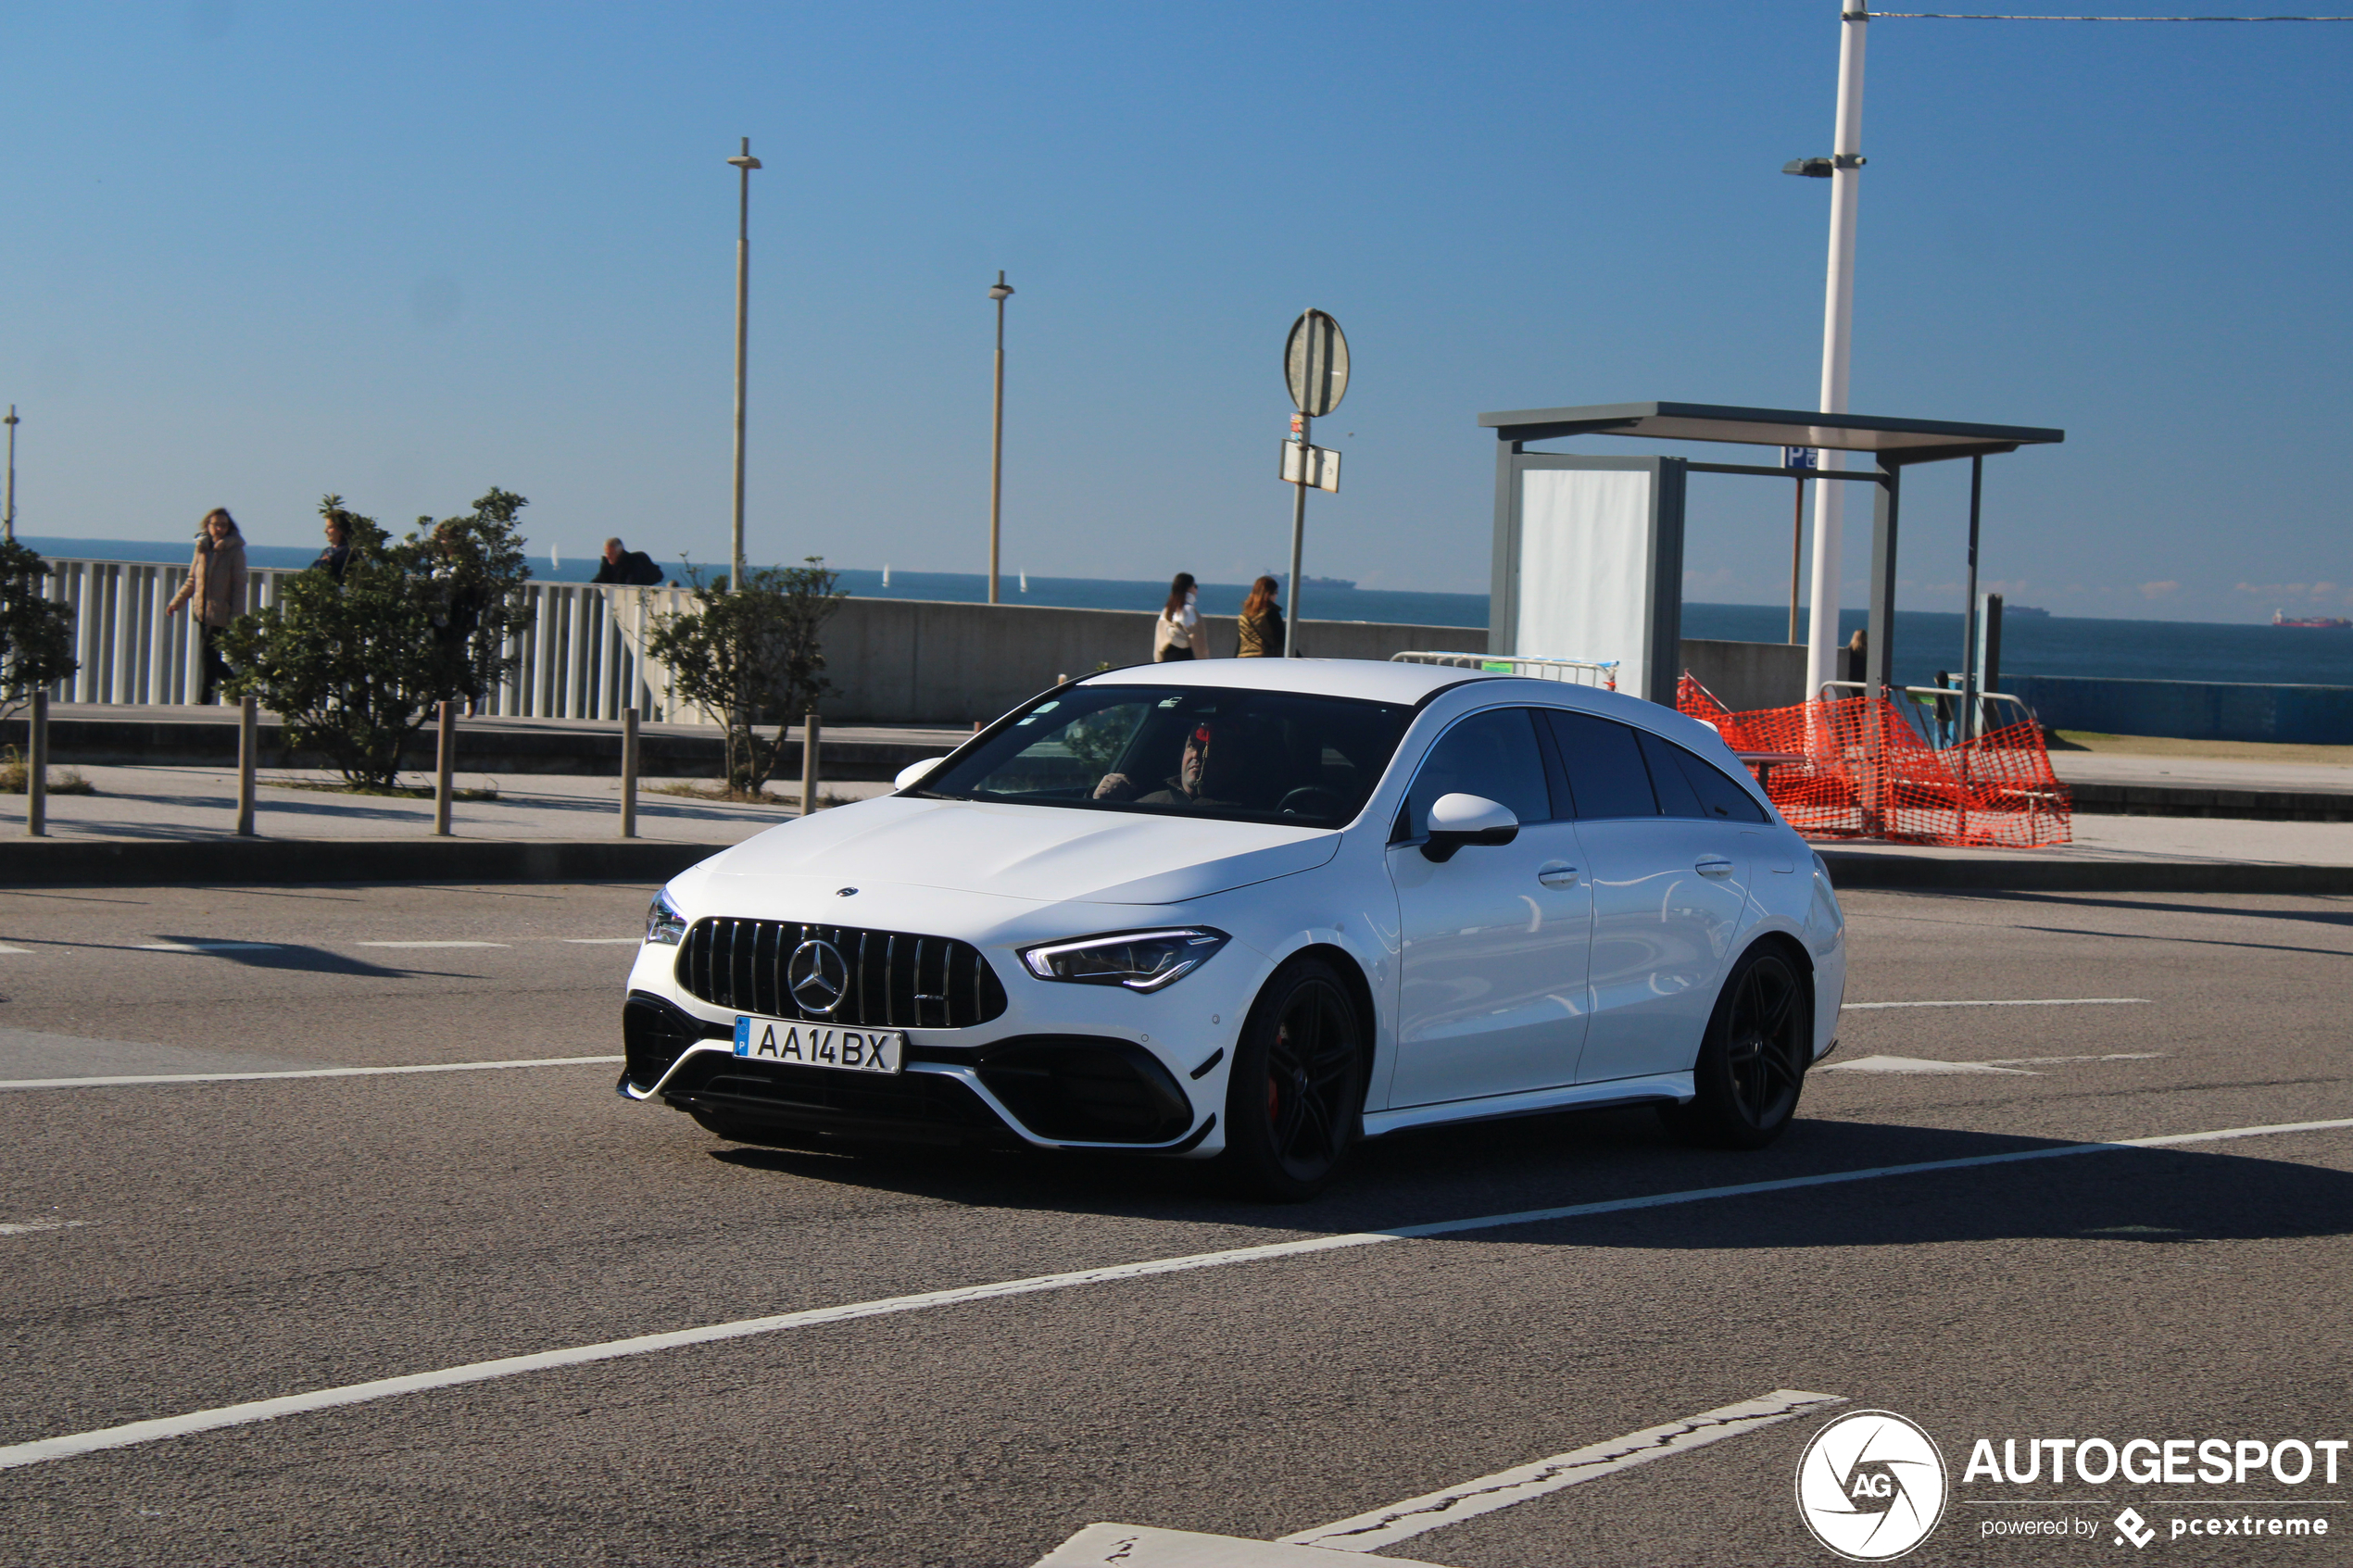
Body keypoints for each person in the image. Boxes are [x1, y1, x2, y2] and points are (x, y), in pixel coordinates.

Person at [165, 508, 247, 704]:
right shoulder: (202, 548)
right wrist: (177, 601)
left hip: (222, 612)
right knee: (210, 656)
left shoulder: (235, 551)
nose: (219, 528)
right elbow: (192, 579)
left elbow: (239, 585)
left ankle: (209, 698)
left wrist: (237, 615)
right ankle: (235, 693)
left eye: (223, 525)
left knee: (208, 654)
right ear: (207, 526)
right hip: (202, 610)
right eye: (215, 524)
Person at [1093, 716, 1253, 809]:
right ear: (1181, 754)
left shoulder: (1250, 813)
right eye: (1192, 746)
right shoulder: (1145, 802)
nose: (1198, 755)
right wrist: (1098, 803)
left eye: (1212, 749)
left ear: (1236, 763)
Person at [1235, 574, 1285, 659]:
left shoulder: (1244, 616)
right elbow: (1283, 641)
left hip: (1244, 660)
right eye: (1276, 592)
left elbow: (1240, 644)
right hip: (1264, 660)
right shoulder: (1270, 613)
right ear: (1268, 594)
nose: (1276, 596)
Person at [1152, 572, 1199, 661]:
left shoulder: (1165, 611)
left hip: (1167, 662)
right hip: (1186, 662)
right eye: (1195, 586)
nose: (1196, 590)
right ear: (1189, 588)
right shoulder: (1189, 611)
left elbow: (1158, 646)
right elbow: (1199, 645)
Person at [591, 537, 664, 586]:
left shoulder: (632, 562)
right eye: (606, 553)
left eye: (611, 554)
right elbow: (598, 580)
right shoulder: (606, 565)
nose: (608, 556)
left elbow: (631, 584)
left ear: (619, 552)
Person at [311, 512, 353, 583]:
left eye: (330, 527)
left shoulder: (349, 552)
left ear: (341, 530)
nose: (325, 531)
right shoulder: (328, 551)